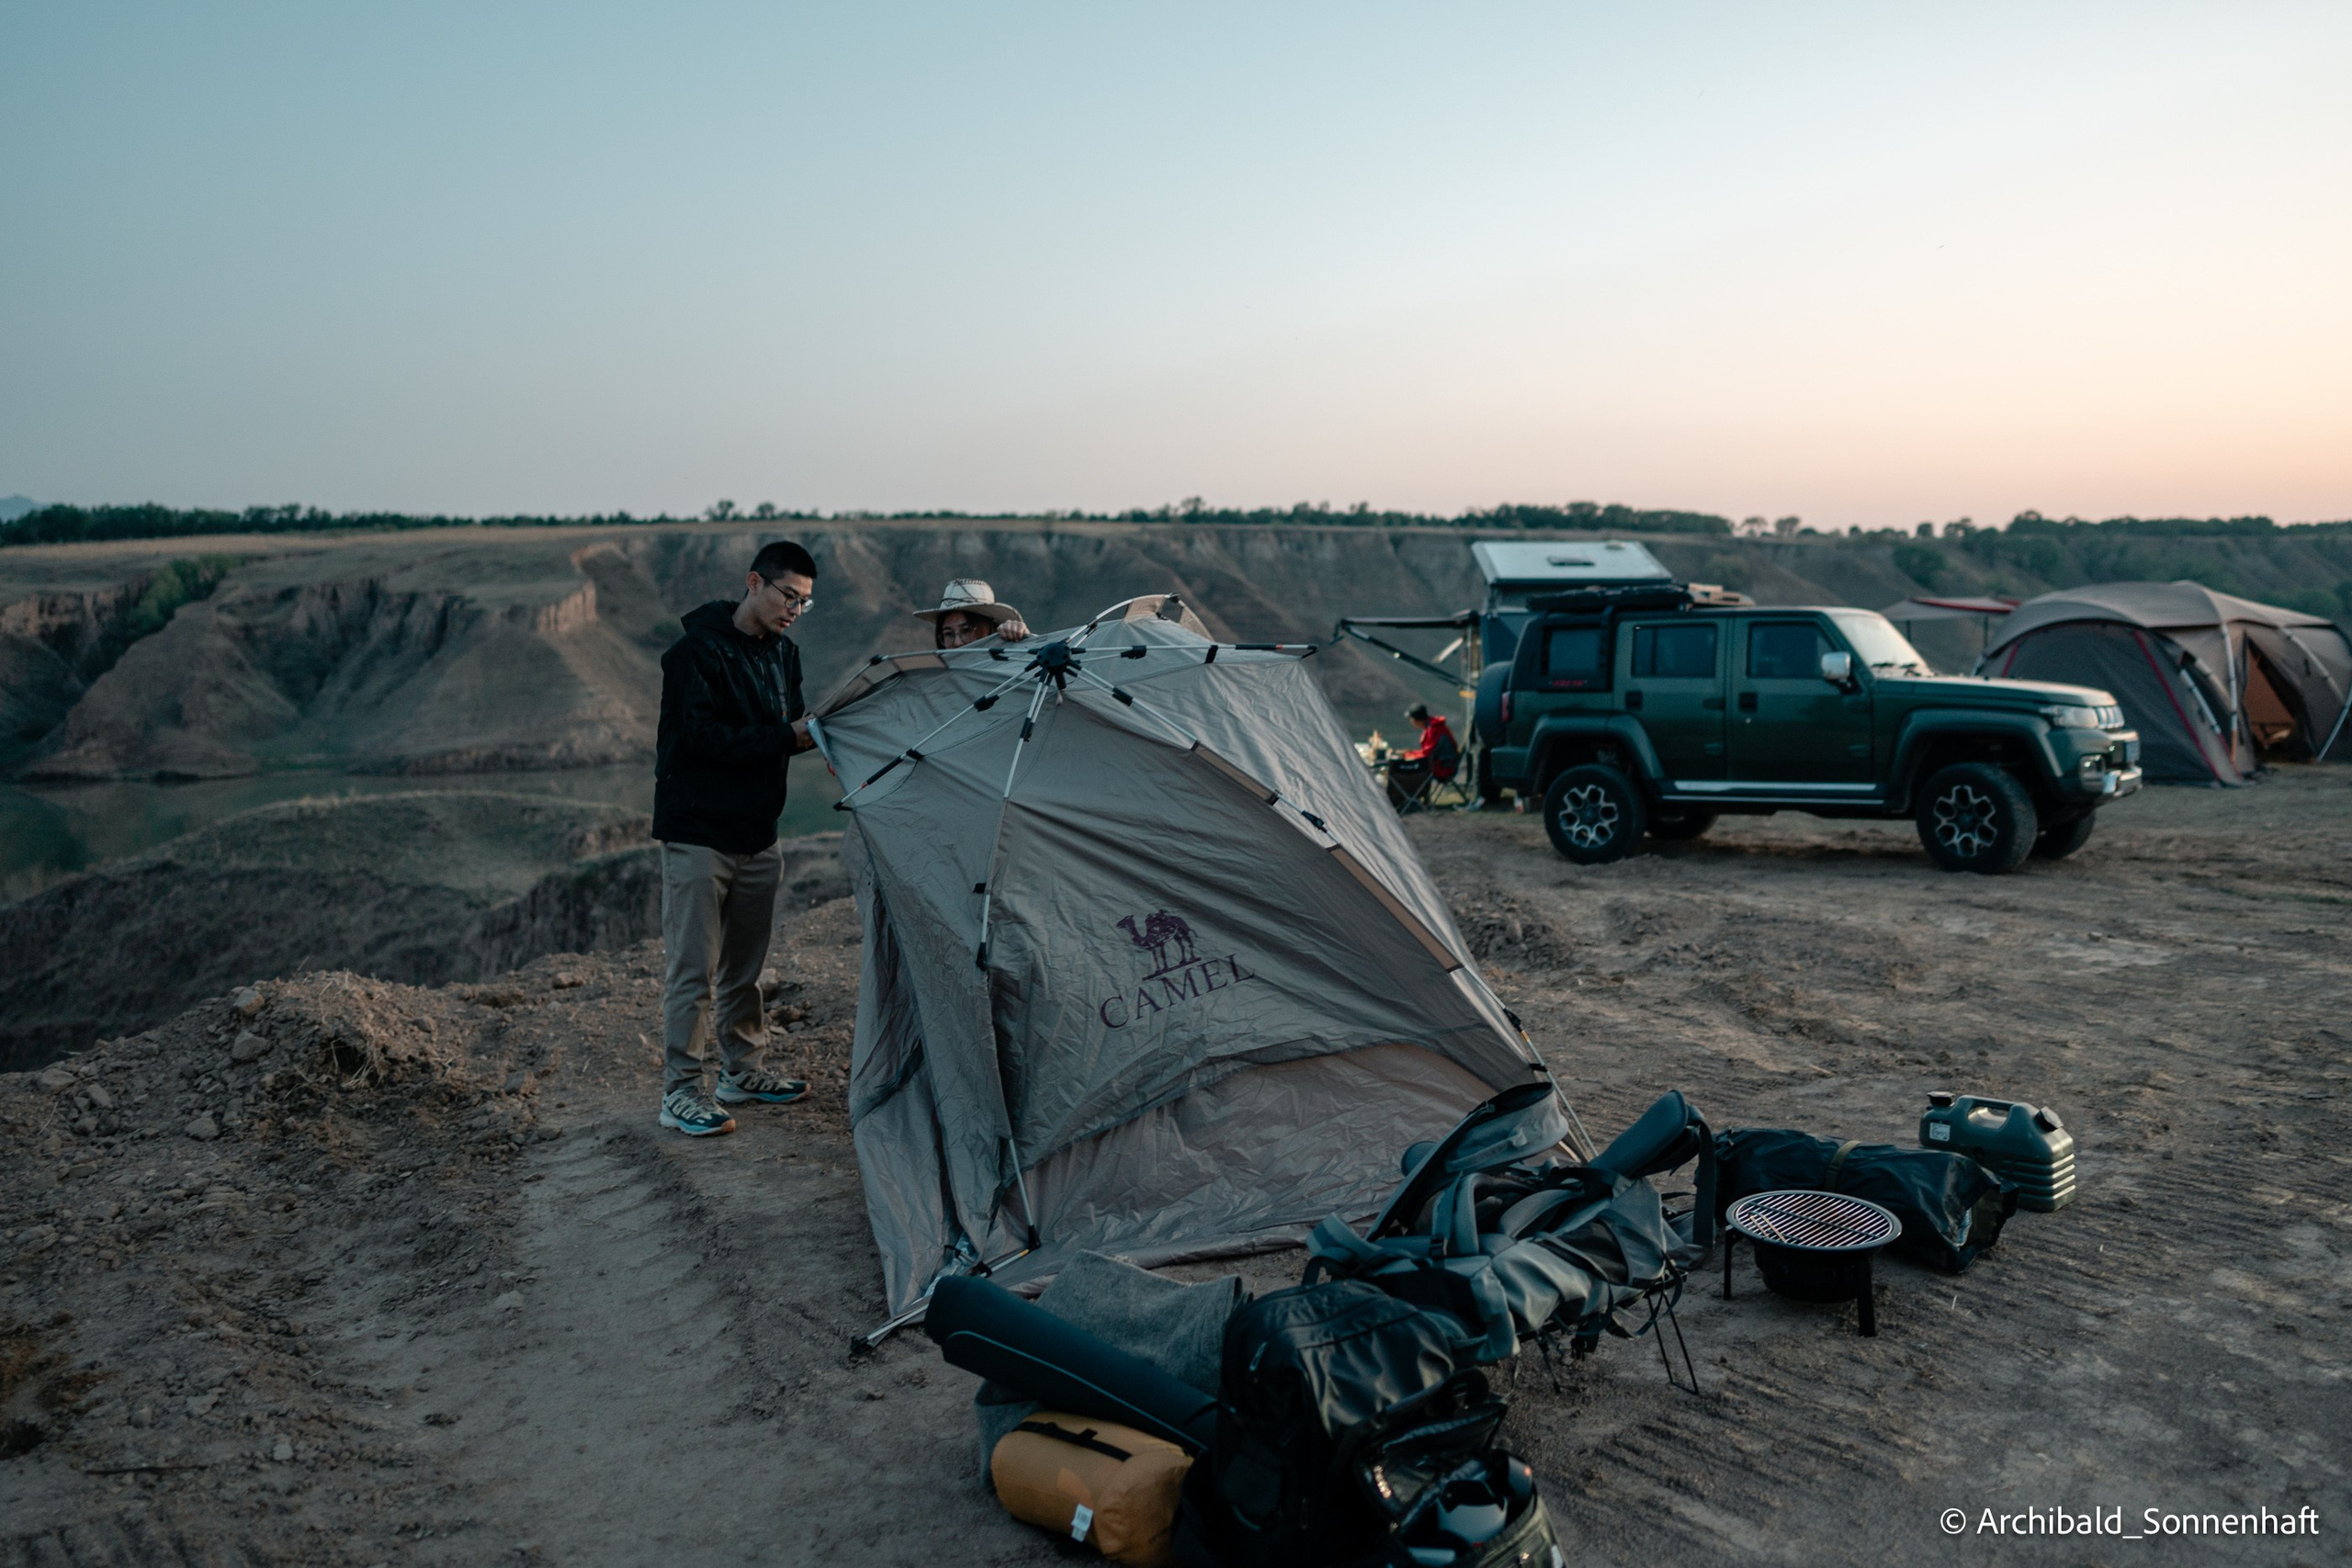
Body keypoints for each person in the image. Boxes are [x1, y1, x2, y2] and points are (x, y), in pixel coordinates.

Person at [650, 540, 822, 1137]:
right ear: (754, 581)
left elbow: (788, 731)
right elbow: (701, 739)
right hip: (698, 835)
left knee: (744, 969)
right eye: (788, 596)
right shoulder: (692, 652)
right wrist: (786, 737)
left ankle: (740, 1072)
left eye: (804, 602)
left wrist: (812, 738)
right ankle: (680, 1093)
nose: (794, 610)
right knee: (693, 971)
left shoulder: (785, 656)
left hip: (758, 836)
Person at [1385, 702, 1462, 810]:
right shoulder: (1432, 726)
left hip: (1444, 768)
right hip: (1440, 764)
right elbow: (1428, 752)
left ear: (1417, 720)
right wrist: (1409, 753)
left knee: (1408, 771)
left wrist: (1407, 754)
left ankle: (1405, 800)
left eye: (1411, 719)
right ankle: (1412, 799)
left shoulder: (1434, 730)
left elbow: (1427, 755)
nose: (1411, 722)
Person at [915, 578, 1030, 649]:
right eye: (948, 634)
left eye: (966, 630)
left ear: (991, 631)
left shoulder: (1009, 673)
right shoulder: (933, 683)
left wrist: (1025, 639)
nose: (957, 643)